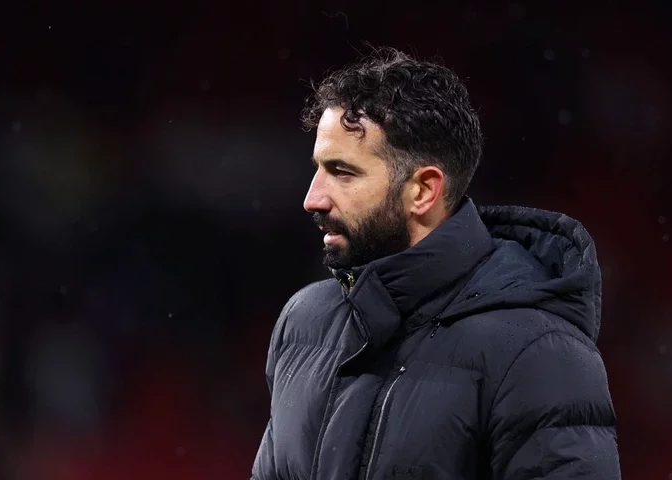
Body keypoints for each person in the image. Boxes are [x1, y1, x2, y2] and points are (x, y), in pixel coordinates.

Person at [251, 47, 620, 480]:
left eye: (343, 172)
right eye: (318, 168)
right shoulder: (304, 321)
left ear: (424, 191)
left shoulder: (537, 352)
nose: (313, 198)